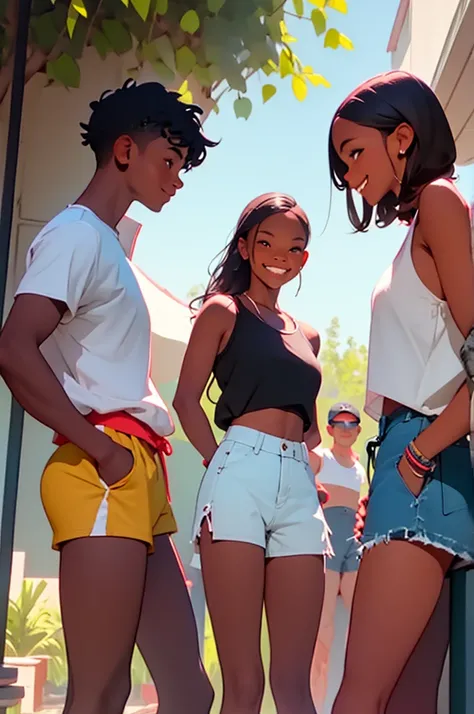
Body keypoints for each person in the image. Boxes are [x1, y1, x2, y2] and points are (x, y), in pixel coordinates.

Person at [0, 79, 217, 714]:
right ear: (125, 150)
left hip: (138, 472)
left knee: (188, 691)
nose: (176, 180)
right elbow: (15, 347)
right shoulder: (76, 234)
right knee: (99, 691)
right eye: (169, 162)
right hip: (105, 466)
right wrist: (102, 449)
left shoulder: (109, 244)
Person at [327, 70, 474, 714]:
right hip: (412, 459)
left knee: (359, 697)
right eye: (343, 161)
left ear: (404, 135)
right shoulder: (419, 224)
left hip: (423, 454)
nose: (351, 172)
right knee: (407, 700)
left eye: (356, 151)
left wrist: (416, 458)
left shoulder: (440, 203)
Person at [173, 192, 331, 714]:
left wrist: (313, 464)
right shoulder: (223, 310)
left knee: (294, 684)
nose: (279, 256)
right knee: (245, 682)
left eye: (293, 247)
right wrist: (219, 460)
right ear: (244, 246)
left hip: (299, 488)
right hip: (238, 472)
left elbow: (306, 425)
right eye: (266, 242)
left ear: (304, 258)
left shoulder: (308, 334)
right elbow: (186, 401)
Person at [309, 403, 366, 711]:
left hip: (352, 545)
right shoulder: (322, 458)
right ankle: (316, 706)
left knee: (362, 621)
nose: (345, 428)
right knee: (323, 632)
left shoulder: (359, 467)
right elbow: (298, 459)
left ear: (358, 430)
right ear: (329, 428)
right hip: (328, 544)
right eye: (339, 423)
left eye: (351, 423)